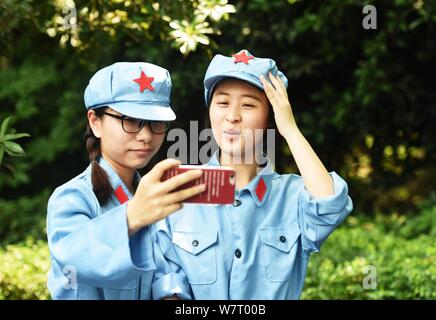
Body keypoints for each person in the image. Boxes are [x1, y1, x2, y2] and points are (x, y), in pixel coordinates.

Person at [152, 50, 353, 299]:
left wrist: (289, 129)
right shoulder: (181, 191)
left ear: (270, 116)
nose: (233, 116)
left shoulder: (291, 196)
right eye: (222, 103)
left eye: (248, 105)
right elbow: (167, 282)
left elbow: (330, 205)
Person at [46, 62, 205, 299]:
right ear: (95, 121)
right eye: (130, 120)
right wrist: (131, 217)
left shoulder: (156, 196)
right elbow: (73, 263)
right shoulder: (73, 198)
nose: (146, 135)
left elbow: (167, 271)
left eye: (157, 123)